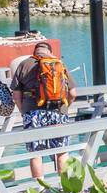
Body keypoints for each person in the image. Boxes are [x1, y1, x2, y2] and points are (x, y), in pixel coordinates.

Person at [12, 40, 77, 179]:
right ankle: (65, 188)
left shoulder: (24, 64)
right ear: (50, 52)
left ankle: (40, 192)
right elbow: (73, 94)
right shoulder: (59, 64)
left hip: (33, 113)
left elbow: (16, 96)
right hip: (58, 112)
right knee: (62, 152)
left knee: (36, 153)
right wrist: (65, 109)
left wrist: (24, 112)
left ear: (34, 52)